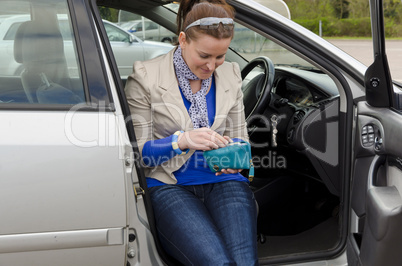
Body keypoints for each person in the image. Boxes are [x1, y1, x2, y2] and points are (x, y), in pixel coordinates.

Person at [125, 0, 258, 265]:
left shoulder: (231, 74)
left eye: (220, 56)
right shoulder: (145, 77)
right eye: (204, 56)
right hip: (168, 185)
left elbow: (241, 137)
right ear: (183, 40)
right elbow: (138, 156)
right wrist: (182, 141)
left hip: (223, 181)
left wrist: (236, 158)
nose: (212, 66)